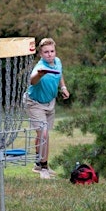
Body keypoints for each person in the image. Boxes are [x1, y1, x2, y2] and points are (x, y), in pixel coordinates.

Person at [25, 38, 70, 179]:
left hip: (50, 103)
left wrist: (63, 87)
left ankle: (39, 164)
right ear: (40, 54)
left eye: (52, 51)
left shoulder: (57, 61)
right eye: (46, 52)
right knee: (43, 134)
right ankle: (43, 168)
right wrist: (40, 74)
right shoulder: (40, 67)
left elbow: (60, 73)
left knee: (42, 135)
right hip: (35, 103)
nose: (49, 54)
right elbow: (32, 80)